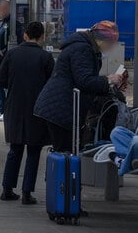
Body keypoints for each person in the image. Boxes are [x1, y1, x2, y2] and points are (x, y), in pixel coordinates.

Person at [34, 21, 126, 153]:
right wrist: (108, 80)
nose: (111, 48)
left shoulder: (83, 46)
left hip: (61, 106)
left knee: (64, 151)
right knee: (66, 152)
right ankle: (65, 174)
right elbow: (84, 80)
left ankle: (63, 172)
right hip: (62, 108)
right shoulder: (83, 49)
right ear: (101, 41)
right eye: (111, 44)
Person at [0, 21, 54, 204]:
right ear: (42, 37)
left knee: (14, 149)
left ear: (25, 35)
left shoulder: (12, 54)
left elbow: (1, 80)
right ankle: (27, 192)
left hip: (14, 106)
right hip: (36, 109)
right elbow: (51, 85)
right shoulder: (45, 57)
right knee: (34, 151)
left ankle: (7, 188)